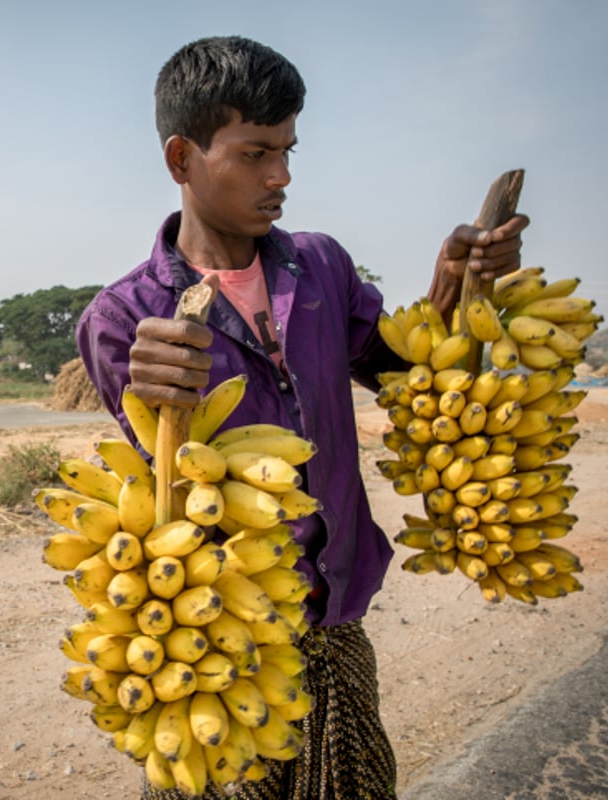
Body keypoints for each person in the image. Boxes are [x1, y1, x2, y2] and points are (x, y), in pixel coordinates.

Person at [75, 36, 529, 800]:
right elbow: (163, 495)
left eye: (287, 150)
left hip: (336, 625)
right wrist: (155, 401)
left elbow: (403, 374)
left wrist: (453, 291)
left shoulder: (319, 267)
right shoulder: (125, 318)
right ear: (181, 158)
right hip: (218, 642)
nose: (281, 176)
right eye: (255, 153)